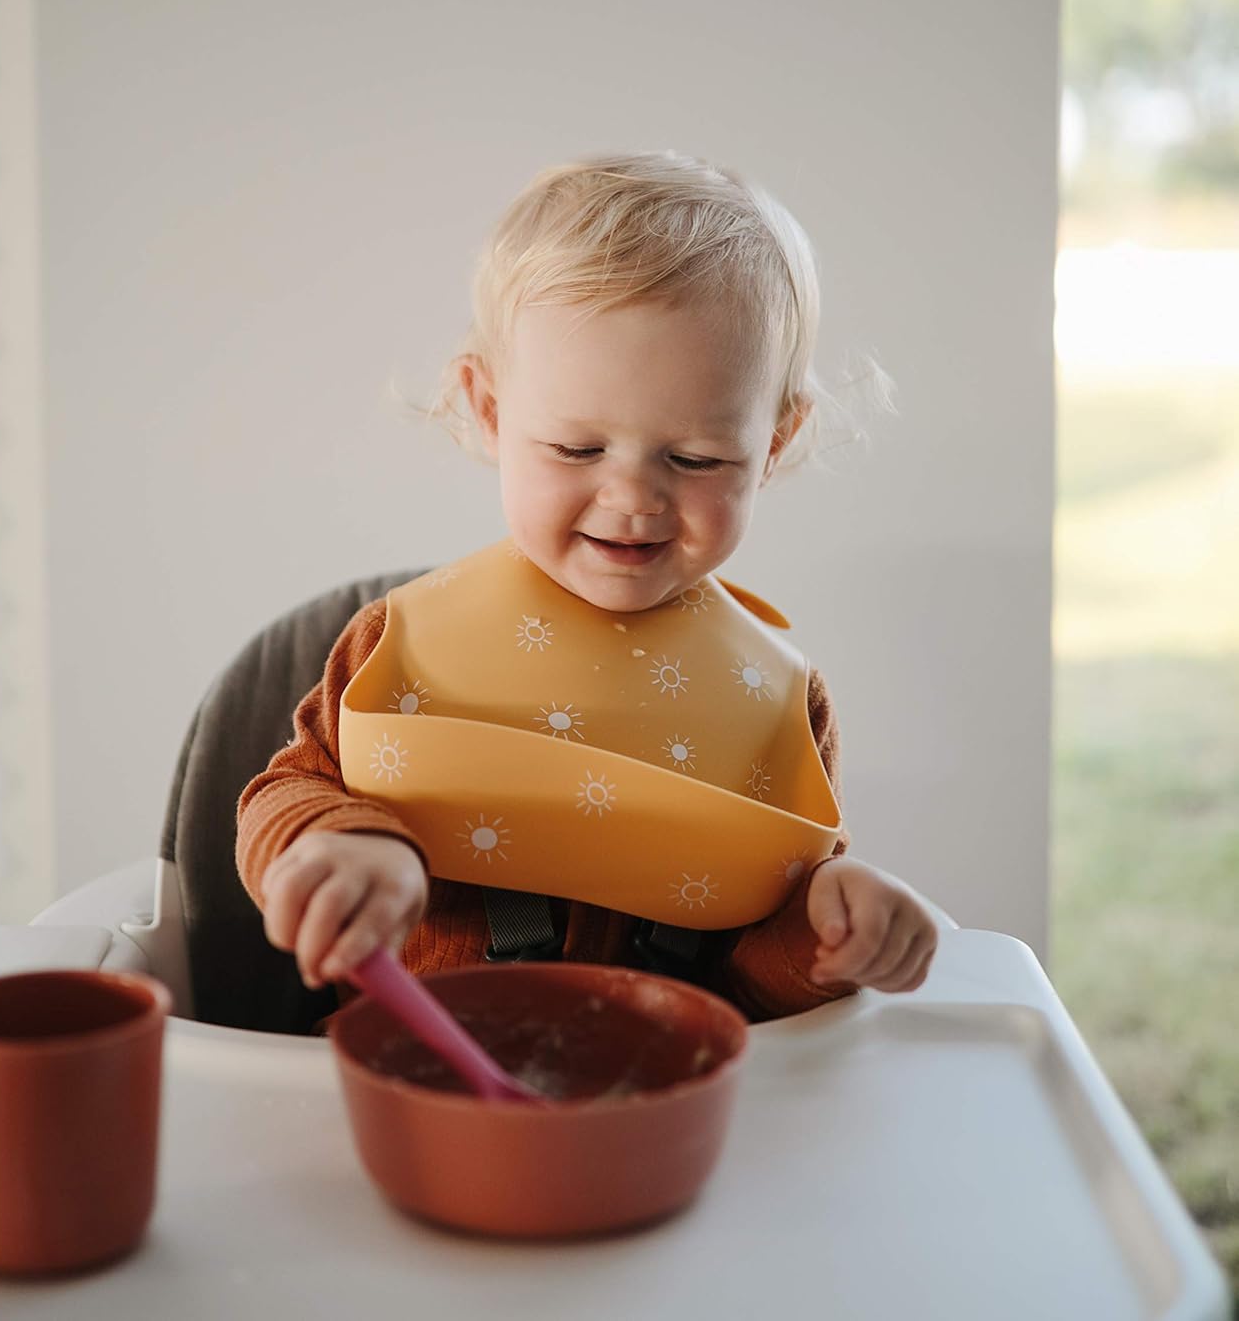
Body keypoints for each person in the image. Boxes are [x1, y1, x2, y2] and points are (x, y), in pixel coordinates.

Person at [236, 151, 937, 1022]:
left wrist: (828, 938)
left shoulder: (776, 705)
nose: (633, 498)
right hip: (420, 1072)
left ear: (775, 444)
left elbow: (755, 981)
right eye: (577, 449)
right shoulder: (402, 646)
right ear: (490, 411)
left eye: (696, 459)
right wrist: (337, 845)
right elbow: (282, 792)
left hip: (661, 1090)